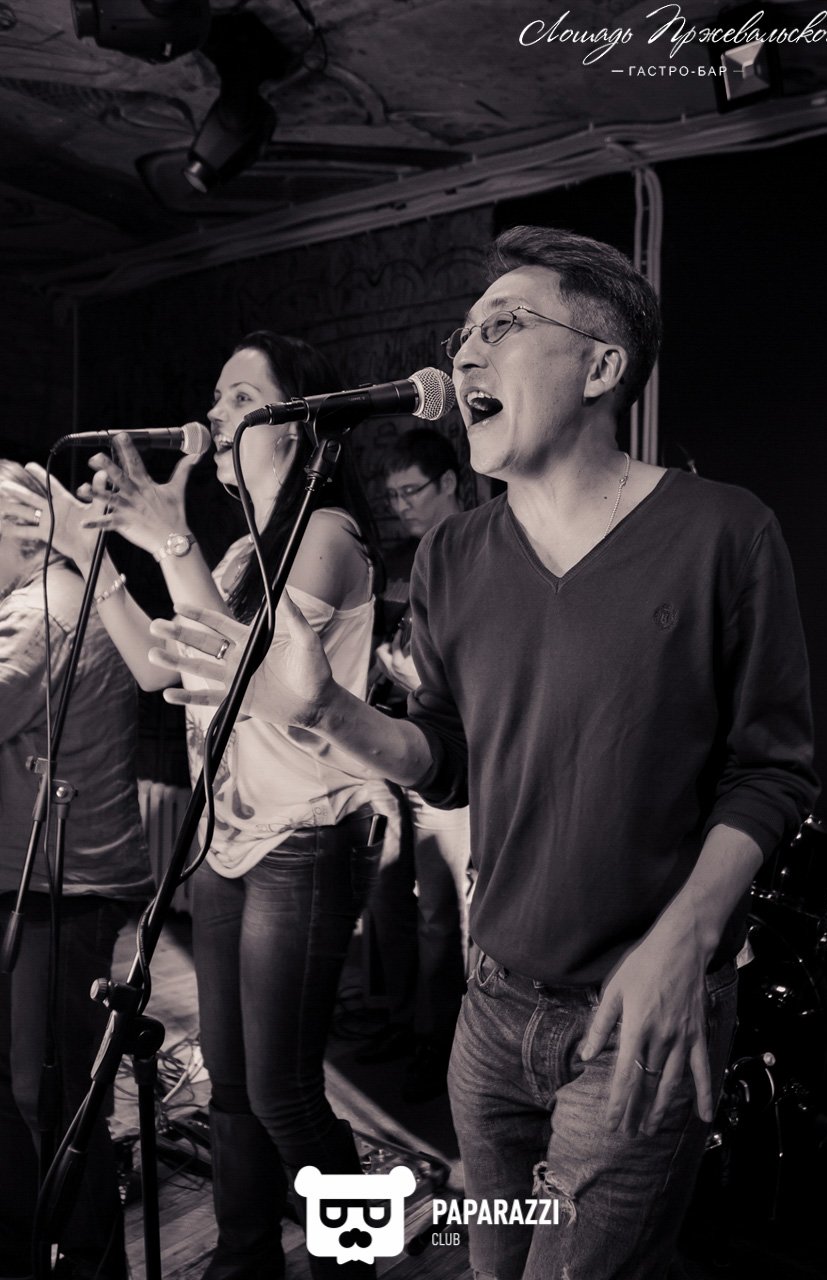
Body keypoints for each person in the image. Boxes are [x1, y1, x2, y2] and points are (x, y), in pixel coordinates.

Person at [146, 230, 818, 1280]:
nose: (464, 354)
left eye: (504, 325)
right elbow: (449, 758)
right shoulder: (455, 555)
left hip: (637, 1016)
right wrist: (327, 710)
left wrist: (683, 945)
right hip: (494, 1011)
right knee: (491, 1260)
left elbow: (772, 770)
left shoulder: (722, 531)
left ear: (601, 366)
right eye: (462, 334)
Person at [7, 333, 392, 1280]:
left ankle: (356, 1263)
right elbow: (157, 665)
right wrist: (90, 547)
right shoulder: (238, 554)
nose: (216, 413)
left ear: (298, 427)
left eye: (241, 397)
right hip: (224, 840)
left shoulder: (328, 536)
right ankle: (243, 1258)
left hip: (304, 839)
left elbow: (251, 671)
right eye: (217, 394)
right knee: (229, 1085)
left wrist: (167, 539)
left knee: (285, 1091)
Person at [0, 460, 151, 1280]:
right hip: (53, 879)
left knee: (49, 1097)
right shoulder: (46, 599)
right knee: (37, 1091)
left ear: (29, 536)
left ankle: (87, 1263)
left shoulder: (43, 612)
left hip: (62, 885)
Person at [361, 428, 473, 1103]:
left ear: (449, 483)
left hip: (444, 758)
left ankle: (441, 1041)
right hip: (388, 744)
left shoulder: (478, 549)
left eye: (411, 492)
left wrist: (418, 681)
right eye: (393, 496)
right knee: (386, 898)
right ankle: (400, 1021)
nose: (400, 506)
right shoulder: (401, 561)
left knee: (440, 911)